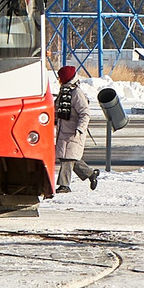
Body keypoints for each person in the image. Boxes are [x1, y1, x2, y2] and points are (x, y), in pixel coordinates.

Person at [52, 64, 98, 193]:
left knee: (68, 159)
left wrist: (80, 129)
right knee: (68, 158)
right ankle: (90, 173)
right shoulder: (65, 91)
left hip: (73, 132)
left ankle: (64, 185)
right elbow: (57, 109)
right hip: (63, 130)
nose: (58, 80)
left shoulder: (76, 93)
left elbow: (85, 113)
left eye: (60, 78)